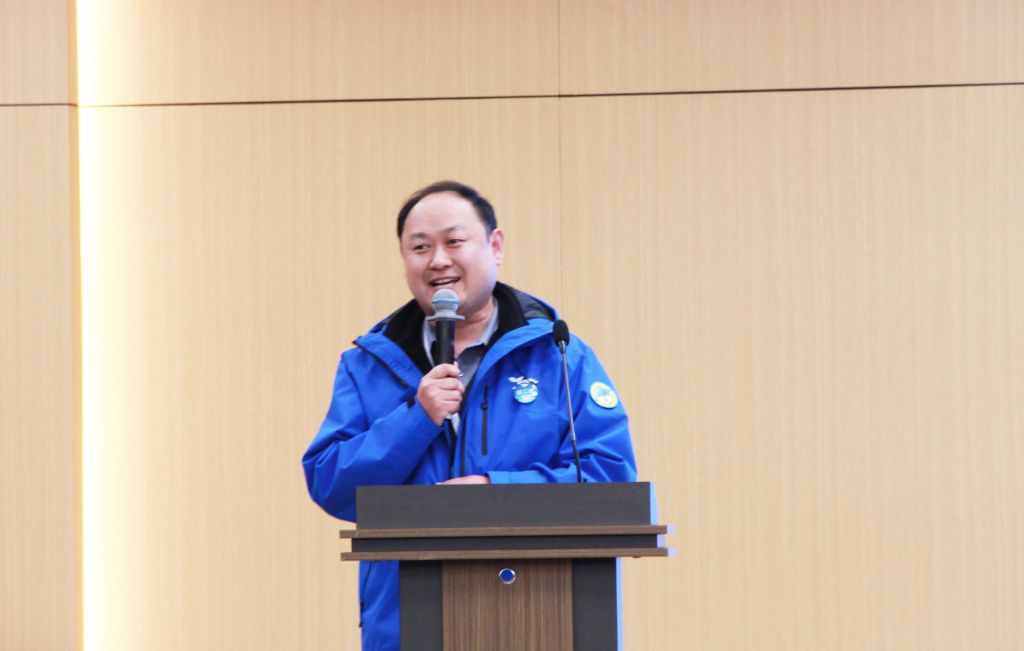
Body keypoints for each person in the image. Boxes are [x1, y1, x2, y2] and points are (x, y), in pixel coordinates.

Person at [302, 180, 637, 651]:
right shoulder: (367, 364)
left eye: (454, 241)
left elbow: (609, 476)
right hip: (406, 622)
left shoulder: (560, 353)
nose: (438, 260)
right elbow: (330, 484)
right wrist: (416, 419)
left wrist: (493, 491)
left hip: (543, 617)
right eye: (420, 247)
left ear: (495, 246)